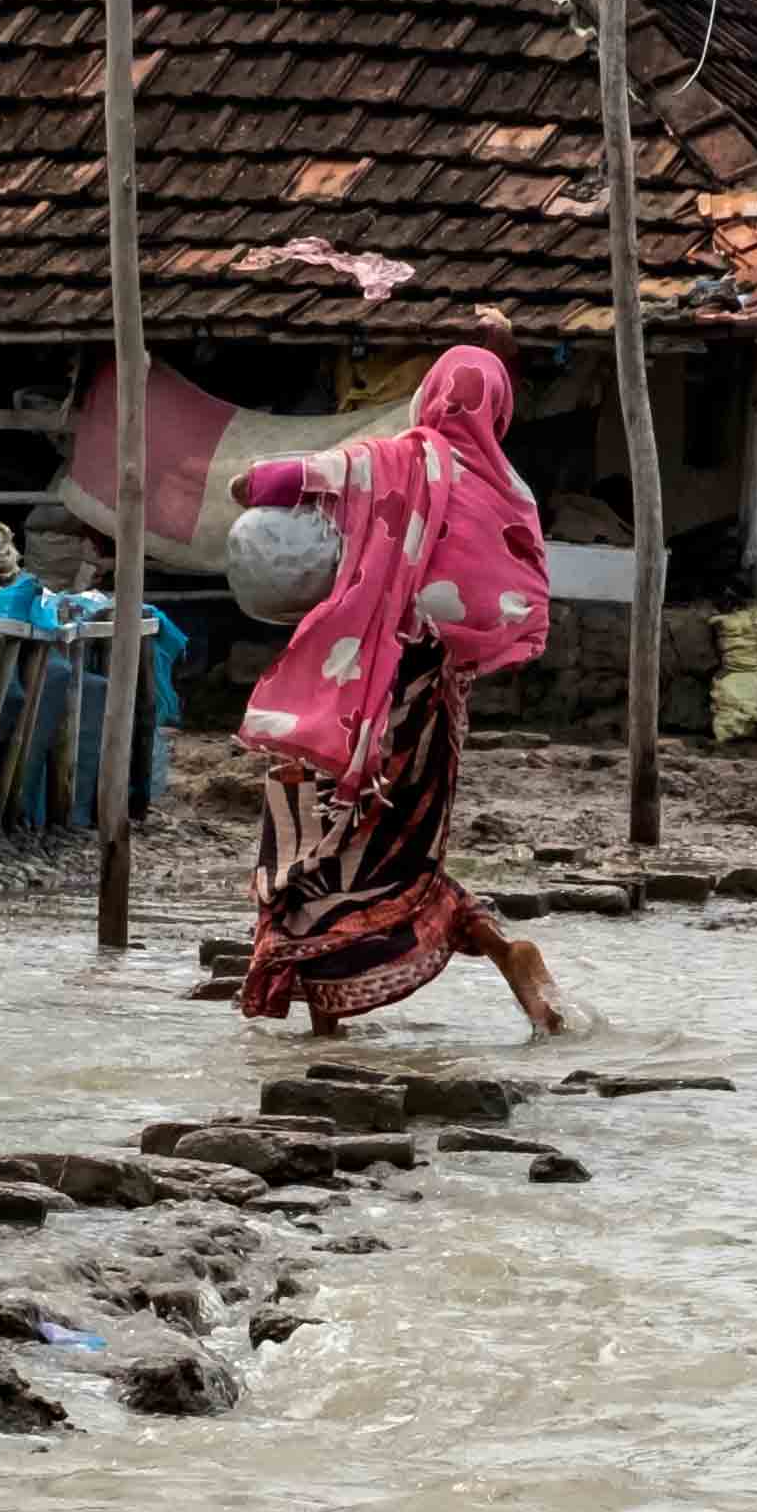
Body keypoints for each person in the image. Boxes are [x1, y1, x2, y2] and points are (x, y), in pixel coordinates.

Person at [228, 343, 572, 1038]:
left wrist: (343, 528)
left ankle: (326, 1030)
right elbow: (516, 601)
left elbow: (256, 486)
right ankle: (503, 950)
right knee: (402, 851)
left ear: (430, 396)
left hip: (350, 692)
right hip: (433, 706)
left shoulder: (384, 463)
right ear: (499, 410)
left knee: (309, 843)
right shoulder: (511, 492)